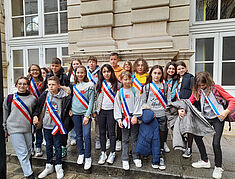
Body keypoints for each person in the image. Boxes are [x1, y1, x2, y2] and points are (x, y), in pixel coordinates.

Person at [185, 72, 235, 179]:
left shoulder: (216, 88)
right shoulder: (198, 90)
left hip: (218, 118)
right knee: (197, 136)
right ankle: (204, 160)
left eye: (203, 85)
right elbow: (189, 101)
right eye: (199, 85)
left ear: (208, 82)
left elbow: (232, 99)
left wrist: (226, 111)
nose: (201, 87)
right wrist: (181, 108)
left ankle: (218, 167)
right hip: (206, 118)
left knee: (215, 143)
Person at [33, 76, 72, 179]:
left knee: (58, 146)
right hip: (46, 125)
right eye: (49, 84)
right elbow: (38, 106)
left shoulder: (65, 96)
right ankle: (49, 165)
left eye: (53, 84)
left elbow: (68, 107)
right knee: (48, 146)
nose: (51, 86)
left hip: (58, 125)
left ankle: (59, 166)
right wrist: (36, 115)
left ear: (58, 85)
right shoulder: (45, 94)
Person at [3, 77, 37, 179]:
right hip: (14, 128)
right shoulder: (10, 98)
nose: (22, 86)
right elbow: (5, 114)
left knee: (29, 151)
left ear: (28, 86)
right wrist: (5, 128)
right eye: (20, 84)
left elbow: (35, 113)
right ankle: (29, 175)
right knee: (22, 152)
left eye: (24, 84)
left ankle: (28, 169)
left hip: (27, 128)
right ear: (16, 85)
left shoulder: (33, 99)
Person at [141, 65, 170, 170]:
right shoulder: (147, 87)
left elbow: (169, 102)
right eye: (155, 73)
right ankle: (149, 153)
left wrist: (168, 115)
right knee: (150, 136)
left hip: (162, 116)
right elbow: (143, 102)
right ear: (151, 74)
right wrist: (148, 112)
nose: (157, 75)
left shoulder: (165, 86)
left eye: (159, 73)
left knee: (161, 137)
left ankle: (160, 156)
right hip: (151, 116)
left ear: (162, 74)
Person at [114, 71, 142, 170]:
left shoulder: (135, 91)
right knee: (125, 139)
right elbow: (117, 106)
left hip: (133, 117)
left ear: (132, 79)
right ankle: (125, 158)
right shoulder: (119, 92)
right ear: (121, 80)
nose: (127, 81)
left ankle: (135, 156)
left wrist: (136, 116)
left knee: (134, 138)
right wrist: (118, 119)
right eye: (125, 79)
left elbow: (139, 103)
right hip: (124, 118)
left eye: (129, 79)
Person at [43, 58, 70, 158]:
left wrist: (59, 87)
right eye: (52, 65)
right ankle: (54, 147)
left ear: (60, 66)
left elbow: (68, 90)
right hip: (51, 100)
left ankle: (63, 146)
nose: (54, 68)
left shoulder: (64, 76)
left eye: (56, 66)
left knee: (62, 127)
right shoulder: (49, 74)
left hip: (61, 99)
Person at [70, 65, 95, 170]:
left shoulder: (90, 85)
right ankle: (81, 153)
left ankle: (88, 156)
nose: (80, 74)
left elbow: (91, 101)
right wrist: (70, 109)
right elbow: (71, 99)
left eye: (82, 72)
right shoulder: (74, 86)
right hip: (75, 114)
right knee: (79, 135)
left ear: (85, 74)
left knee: (86, 135)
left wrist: (87, 115)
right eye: (78, 72)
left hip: (85, 115)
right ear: (75, 74)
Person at [95, 64, 118, 165]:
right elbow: (96, 99)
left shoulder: (117, 84)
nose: (106, 74)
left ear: (111, 72)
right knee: (102, 132)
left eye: (108, 71)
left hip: (112, 111)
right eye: (104, 72)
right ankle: (103, 152)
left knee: (112, 133)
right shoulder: (100, 83)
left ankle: (112, 153)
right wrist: (95, 111)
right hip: (101, 111)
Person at [175, 61, 194, 158]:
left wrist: (188, 105)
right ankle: (184, 144)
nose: (181, 70)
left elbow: (193, 91)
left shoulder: (190, 77)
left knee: (189, 127)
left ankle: (189, 148)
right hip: (179, 105)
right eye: (179, 69)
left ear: (186, 68)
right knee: (180, 126)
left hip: (188, 105)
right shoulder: (177, 79)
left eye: (182, 68)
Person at [27, 64, 45, 157]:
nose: (35, 72)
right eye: (33, 70)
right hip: (29, 106)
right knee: (30, 128)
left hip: (40, 107)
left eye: (37, 70)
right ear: (29, 71)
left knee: (38, 127)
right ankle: (31, 146)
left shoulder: (43, 82)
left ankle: (38, 146)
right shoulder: (27, 82)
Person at [162, 61, 178, 153]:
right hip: (160, 104)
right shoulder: (162, 79)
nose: (171, 70)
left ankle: (164, 142)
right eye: (169, 68)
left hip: (170, 104)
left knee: (166, 125)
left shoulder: (176, 80)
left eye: (173, 69)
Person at [109, 52, 124, 150]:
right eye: (111, 59)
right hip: (109, 99)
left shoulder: (122, 71)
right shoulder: (107, 70)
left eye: (115, 59)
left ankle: (119, 139)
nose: (113, 61)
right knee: (109, 121)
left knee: (119, 119)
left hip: (119, 98)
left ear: (118, 60)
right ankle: (109, 138)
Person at [86, 56, 101, 150]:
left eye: (93, 62)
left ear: (96, 63)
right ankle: (85, 139)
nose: (91, 64)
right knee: (86, 119)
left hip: (97, 97)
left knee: (97, 120)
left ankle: (98, 139)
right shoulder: (84, 71)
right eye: (90, 62)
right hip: (86, 98)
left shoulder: (100, 72)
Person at [67, 59, 82, 146]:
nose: (75, 65)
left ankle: (80, 137)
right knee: (73, 121)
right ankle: (73, 137)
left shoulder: (83, 74)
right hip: (72, 97)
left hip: (81, 99)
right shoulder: (69, 75)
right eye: (74, 64)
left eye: (77, 63)